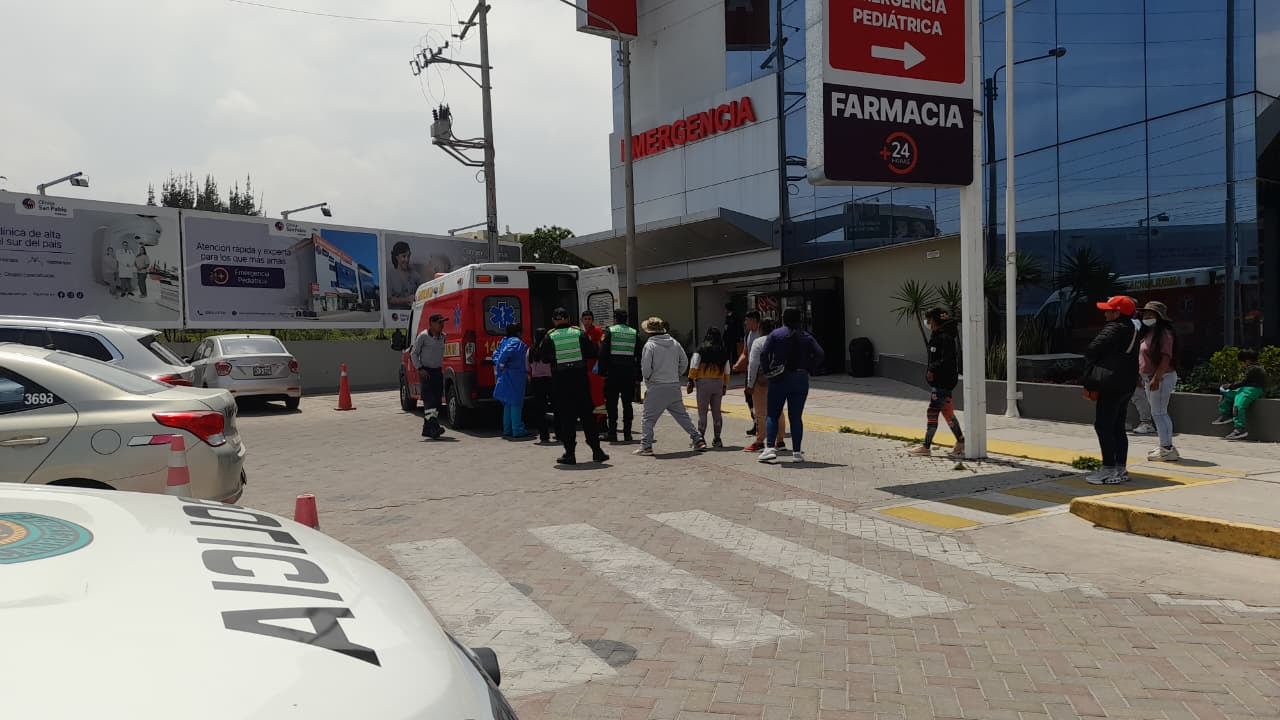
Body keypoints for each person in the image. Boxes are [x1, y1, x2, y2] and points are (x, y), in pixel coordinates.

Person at [534, 307, 608, 466]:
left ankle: (570, 454)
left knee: (567, 419)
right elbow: (592, 352)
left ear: (554, 321)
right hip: (580, 381)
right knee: (588, 417)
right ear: (568, 319)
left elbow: (544, 358)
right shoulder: (579, 333)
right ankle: (597, 451)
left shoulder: (550, 336)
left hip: (561, 384)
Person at [1082, 296, 1140, 485]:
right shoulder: (1134, 328)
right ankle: (1120, 468)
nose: (1105, 313)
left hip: (1111, 383)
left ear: (1117, 313)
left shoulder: (1115, 327)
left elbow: (1093, 348)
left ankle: (1108, 469)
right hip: (1126, 383)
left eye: (1109, 310)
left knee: (1103, 425)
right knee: (1118, 426)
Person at [757, 308, 825, 464]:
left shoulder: (776, 334)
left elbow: (763, 354)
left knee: (773, 414)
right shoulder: (806, 336)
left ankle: (769, 449)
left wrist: (767, 371)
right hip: (801, 379)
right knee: (796, 417)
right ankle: (797, 452)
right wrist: (810, 368)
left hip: (779, 378)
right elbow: (820, 354)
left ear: (783, 319)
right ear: (799, 320)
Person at [635, 317, 706, 456]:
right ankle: (698, 439)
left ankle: (646, 446)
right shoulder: (674, 343)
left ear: (649, 332)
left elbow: (646, 368)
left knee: (648, 418)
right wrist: (676, 374)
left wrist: (648, 379)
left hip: (656, 386)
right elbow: (684, 362)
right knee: (682, 416)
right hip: (673, 385)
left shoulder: (650, 345)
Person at [908, 308, 966, 457]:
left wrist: (932, 369)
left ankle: (926, 446)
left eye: (929, 319)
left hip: (943, 382)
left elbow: (946, 360)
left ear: (935, 320)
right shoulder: (938, 336)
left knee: (932, 411)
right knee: (947, 412)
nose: (927, 322)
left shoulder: (945, 338)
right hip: (941, 381)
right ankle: (960, 442)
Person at [1137, 301, 1180, 461]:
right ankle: (1165, 445)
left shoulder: (1164, 334)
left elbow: (1166, 357)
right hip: (1150, 378)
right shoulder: (1149, 333)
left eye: (1151, 314)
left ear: (1159, 317)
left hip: (1161, 377)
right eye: (1145, 314)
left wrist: (1157, 377)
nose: (1147, 317)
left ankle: (1167, 448)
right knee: (1159, 412)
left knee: (1159, 412)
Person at [744, 318, 786, 453]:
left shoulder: (758, 342)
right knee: (778, 412)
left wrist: (750, 384)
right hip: (779, 380)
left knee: (761, 413)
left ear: (761, 329)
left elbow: (753, 365)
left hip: (762, 382)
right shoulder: (781, 341)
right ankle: (780, 441)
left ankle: (760, 440)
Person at [599, 309, 641, 442]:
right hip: (628, 373)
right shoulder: (634, 333)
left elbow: (603, 353)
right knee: (627, 403)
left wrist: (602, 371)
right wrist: (638, 374)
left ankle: (612, 433)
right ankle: (627, 434)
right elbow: (639, 355)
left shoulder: (610, 331)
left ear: (615, 318)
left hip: (613, 373)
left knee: (612, 403)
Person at [687, 327, 731, 448]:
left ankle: (700, 438)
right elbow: (727, 370)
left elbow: (694, 365)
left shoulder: (701, 349)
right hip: (718, 383)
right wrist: (725, 385)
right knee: (717, 412)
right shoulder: (723, 351)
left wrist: (690, 380)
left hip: (703, 383)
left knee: (703, 412)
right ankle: (717, 439)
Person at [1214, 348, 1267, 441]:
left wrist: (1230, 386)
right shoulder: (1251, 368)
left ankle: (1240, 429)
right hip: (1246, 388)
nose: (1241, 365)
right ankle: (1226, 414)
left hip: (1253, 389)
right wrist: (1229, 388)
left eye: (1241, 362)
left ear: (1247, 361)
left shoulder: (1255, 369)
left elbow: (1244, 382)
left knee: (1238, 404)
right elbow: (1244, 383)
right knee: (1227, 394)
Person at [411, 313, 448, 440]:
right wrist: (420, 368)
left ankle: (427, 428)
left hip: (437, 372)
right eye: (439, 322)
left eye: (443, 322)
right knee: (429, 401)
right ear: (431, 324)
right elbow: (414, 354)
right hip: (426, 372)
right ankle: (434, 427)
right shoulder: (423, 337)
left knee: (437, 402)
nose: (442, 325)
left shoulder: (443, 337)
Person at [1126, 296, 1156, 435]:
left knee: (1138, 394)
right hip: (1135, 365)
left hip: (1139, 367)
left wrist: (1134, 370)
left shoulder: (1135, 323)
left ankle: (1147, 423)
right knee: (1129, 394)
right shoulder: (1134, 322)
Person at [493, 323, 530, 439]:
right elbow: (503, 356)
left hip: (506, 375)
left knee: (508, 403)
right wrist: (502, 364)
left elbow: (496, 354)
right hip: (516, 375)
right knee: (516, 402)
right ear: (518, 332)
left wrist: (500, 368)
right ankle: (517, 429)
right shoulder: (516, 342)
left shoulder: (504, 341)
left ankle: (507, 428)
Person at [733, 310, 763, 436]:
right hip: (750, 371)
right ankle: (756, 423)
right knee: (749, 398)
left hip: (762, 372)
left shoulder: (763, 333)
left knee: (762, 399)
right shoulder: (748, 334)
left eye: (747, 320)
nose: (745, 323)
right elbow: (745, 353)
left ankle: (764, 425)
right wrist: (737, 364)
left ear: (755, 321)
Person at [580, 310, 608, 434]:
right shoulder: (584, 333)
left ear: (592, 320)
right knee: (591, 397)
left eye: (589, 319)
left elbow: (600, 348)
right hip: (587, 368)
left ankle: (602, 423)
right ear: (582, 320)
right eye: (585, 319)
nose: (587, 321)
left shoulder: (596, 331)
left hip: (595, 368)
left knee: (598, 397)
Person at [528, 327, 556, 444]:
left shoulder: (530, 350)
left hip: (536, 382)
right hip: (550, 380)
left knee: (540, 410)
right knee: (556, 407)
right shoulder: (550, 349)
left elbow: (527, 368)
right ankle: (559, 433)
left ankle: (544, 436)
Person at [387, 241, 425, 310]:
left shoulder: (414, 274)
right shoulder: (390, 274)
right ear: (396, 257)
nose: (407, 260)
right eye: (404, 256)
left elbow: (424, 289)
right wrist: (405, 299)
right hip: (395, 317)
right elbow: (388, 299)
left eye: (408, 256)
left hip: (413, 316)